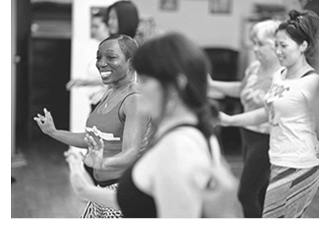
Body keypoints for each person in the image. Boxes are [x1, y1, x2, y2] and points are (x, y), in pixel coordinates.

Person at [64, 32, 242, 218]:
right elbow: (147, 202)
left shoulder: (178, 147)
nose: (138, 87)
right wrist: (85, 189)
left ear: (175, 87)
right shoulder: (185, 133)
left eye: (146, 81)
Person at [34, 34, 150, 218]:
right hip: (101, 191)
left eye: (110, 57)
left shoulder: (134, 99)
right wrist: (53, 132)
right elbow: (90, 139)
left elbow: (131, 152)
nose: (101, 63)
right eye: (99, 57)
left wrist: (101, 163)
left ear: (130, 62)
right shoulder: (110, 92)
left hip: (119, 193)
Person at [219, 10, 319, 218]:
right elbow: (266, 112)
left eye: (284, 46)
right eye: (276, 45)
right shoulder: (279, 76)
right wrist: (229, 120)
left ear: (303, 46)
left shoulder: (312, 83)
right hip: (278, 158)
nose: (278, 51)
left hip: (299, 164)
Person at [207, 19, 282, 218]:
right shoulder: (255, 68)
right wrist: (213, 84)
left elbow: (268, 112)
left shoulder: (281, 76)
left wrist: (230, 120)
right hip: (247, 135)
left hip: (266, 138)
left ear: (276, 45)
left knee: (246, 195)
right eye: (253, 43)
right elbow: (242, 89)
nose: (255, 49)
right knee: (260, 191)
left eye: (260, 44)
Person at [66, 11, 109, 112]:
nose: (92, 30)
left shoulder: (112, 50)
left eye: (96, 26)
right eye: (92, 26)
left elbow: (110, 78)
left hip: (104, 101)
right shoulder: (100, 48)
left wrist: (84, 82)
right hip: (96, 101)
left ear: (108, 27)